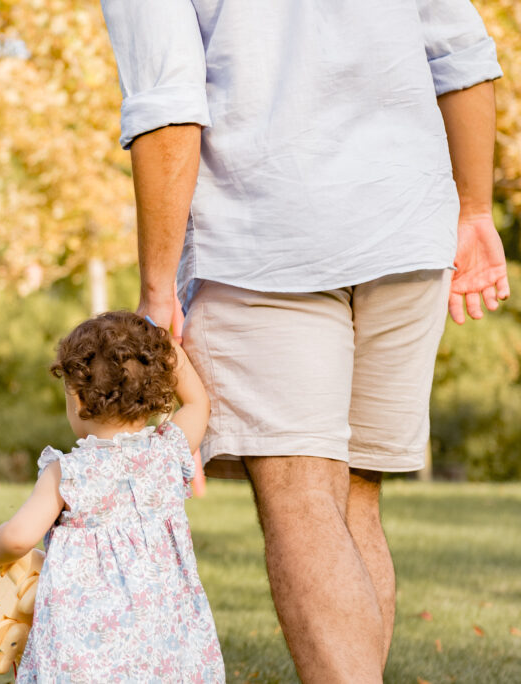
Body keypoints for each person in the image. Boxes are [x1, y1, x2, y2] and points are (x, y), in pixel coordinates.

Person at [99, 0, 509, 681]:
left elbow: (169, 106)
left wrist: (156, 291)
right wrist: (474, 211)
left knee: (301, 496)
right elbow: (460, 49)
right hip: (407, 222)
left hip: (268, 235)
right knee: (351, 498)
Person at [0, 311, 225, 682]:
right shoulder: (167, 453)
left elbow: (17, 538)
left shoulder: (67, 472)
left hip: (85, 651)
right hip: (166, 640)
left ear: (77, 399)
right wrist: (163, 346)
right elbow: (197, 403)